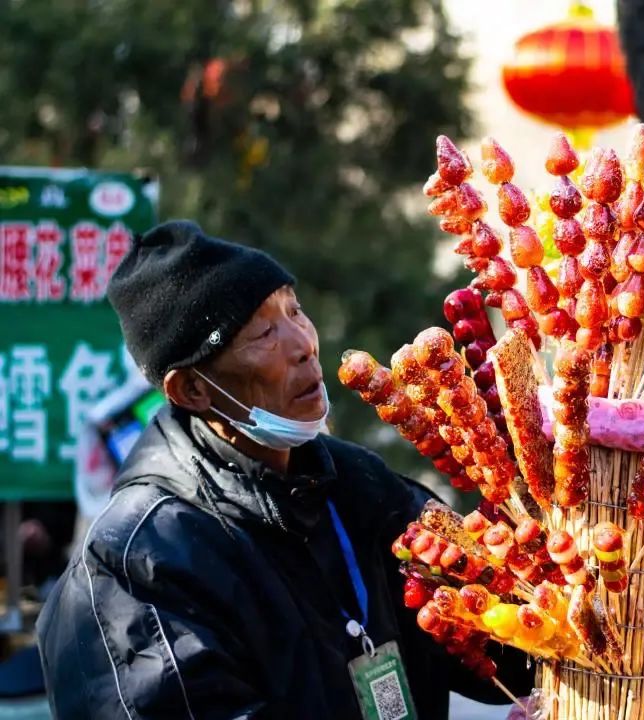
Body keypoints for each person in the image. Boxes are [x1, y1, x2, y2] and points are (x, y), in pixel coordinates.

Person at [36, 221, 532, 719]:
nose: (302, 344)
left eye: (295, 311)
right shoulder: (135, 563)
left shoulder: (361, 486)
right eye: (263, 333)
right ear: (192, 390)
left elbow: (507, 653)